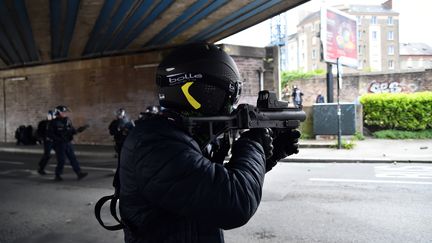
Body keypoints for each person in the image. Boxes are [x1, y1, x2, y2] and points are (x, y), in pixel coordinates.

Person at [119, 43, 301, 242]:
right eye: (221, 94)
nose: (228, 105)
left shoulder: (176, 135)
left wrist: (266, 157)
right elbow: (234, 203)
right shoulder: (155, 143)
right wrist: (254, 144)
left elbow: (211, 183)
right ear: (196, 92)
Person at [49, 105, 88, 181]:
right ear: (58, 112)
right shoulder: (53, 122)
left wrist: (79, 130)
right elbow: (50, 134)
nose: (65, 113)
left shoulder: (67, 120)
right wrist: (58, 139)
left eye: (65, 112)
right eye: (63, 112)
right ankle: (57, 175)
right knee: (61, 160)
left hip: (67, 143)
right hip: (59, 144)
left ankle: (79, 173)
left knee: (73, 158)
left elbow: (72, 130)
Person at [36, 110, 55, 175]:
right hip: (48, 141)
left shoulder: (54, 123)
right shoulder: (43, 123)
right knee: (47, 155)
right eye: (50, 115)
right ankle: (41, 167)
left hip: (55, 141)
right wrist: (40, 139)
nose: (51, 117)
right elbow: (39, 132)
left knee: (61, 154)